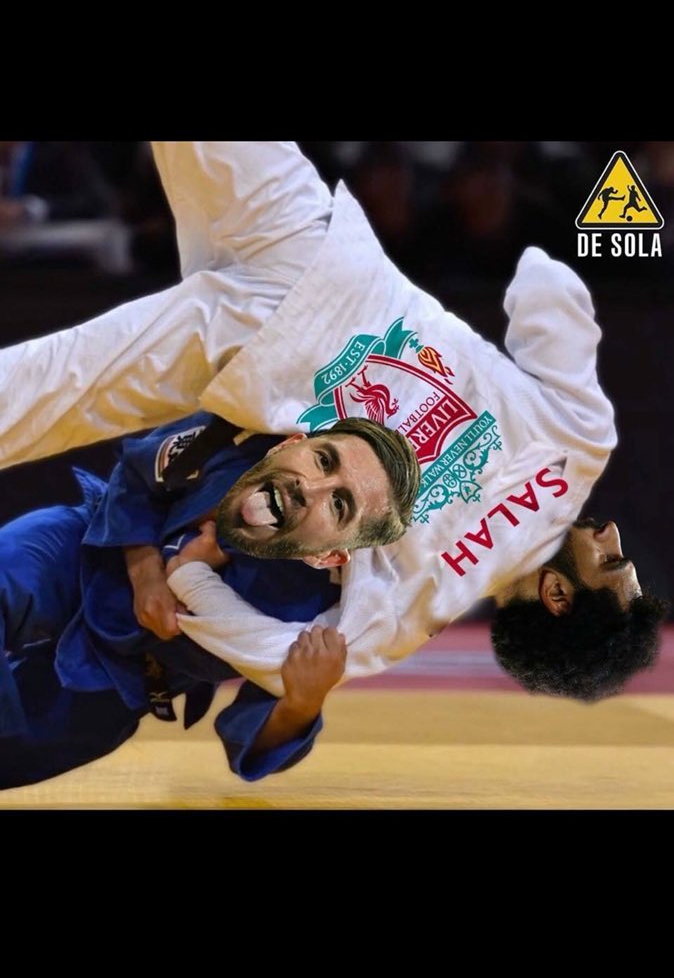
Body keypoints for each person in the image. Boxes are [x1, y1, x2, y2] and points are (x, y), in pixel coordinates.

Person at [0, 143, 666, 707]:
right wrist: (190, 576)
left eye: (611, 562)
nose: (612, 535)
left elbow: (542, 286)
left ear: (557, 594)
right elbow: (274, 659)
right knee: (33, 393)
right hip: (256, 355)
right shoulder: (417, 608)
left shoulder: (582, 441)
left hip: (322, 258)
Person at [0, 407, 420, 789]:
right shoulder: (236, 434)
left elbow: (250, 740)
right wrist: (146, 571)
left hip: (130, 678)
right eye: (324, 461)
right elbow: (136, 474)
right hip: (84, 549)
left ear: (327, 556)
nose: (308, 488)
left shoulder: (319, 615)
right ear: (291, 444)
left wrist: (303, 701)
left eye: (339, 504)